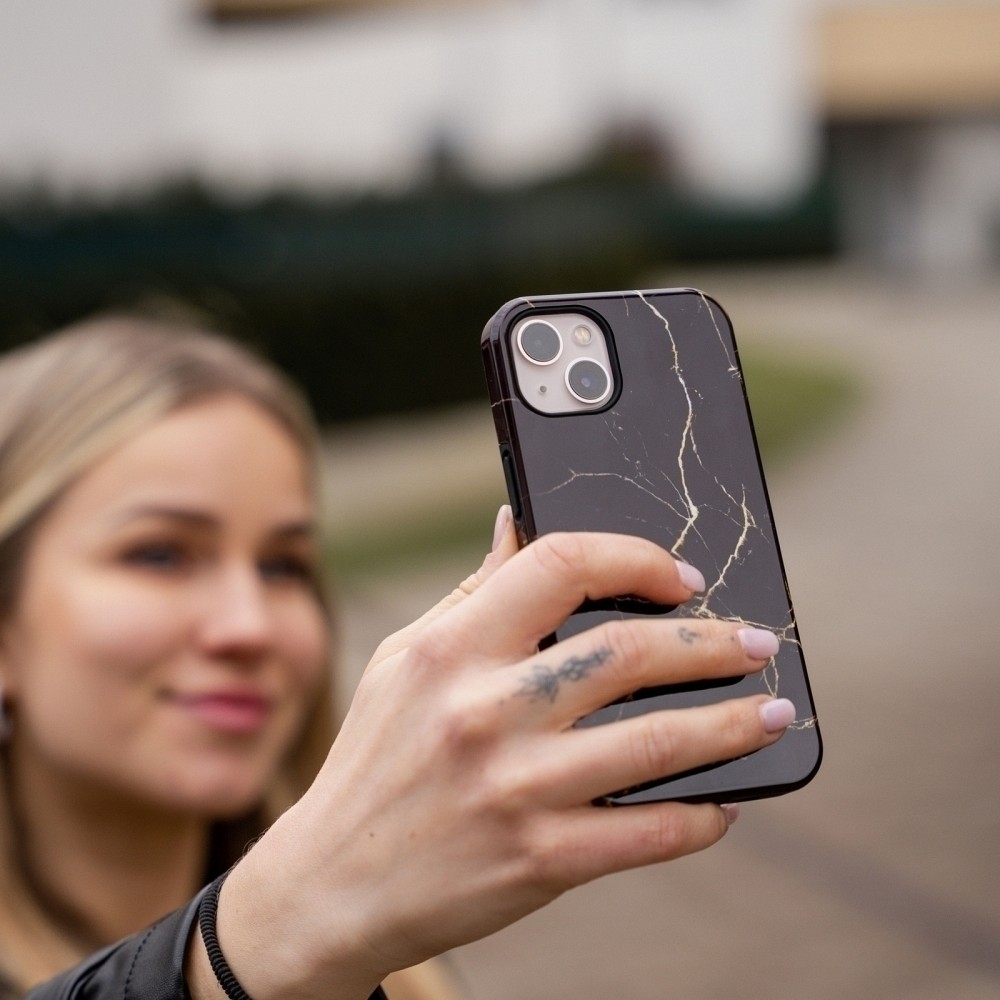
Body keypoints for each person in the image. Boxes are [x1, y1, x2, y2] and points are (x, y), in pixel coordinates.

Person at [0, 315, 795, 1000]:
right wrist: (258, 944)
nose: (249, 626)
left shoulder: (403, 974)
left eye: (283, 566)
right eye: (159, 555)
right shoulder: (318, 943)